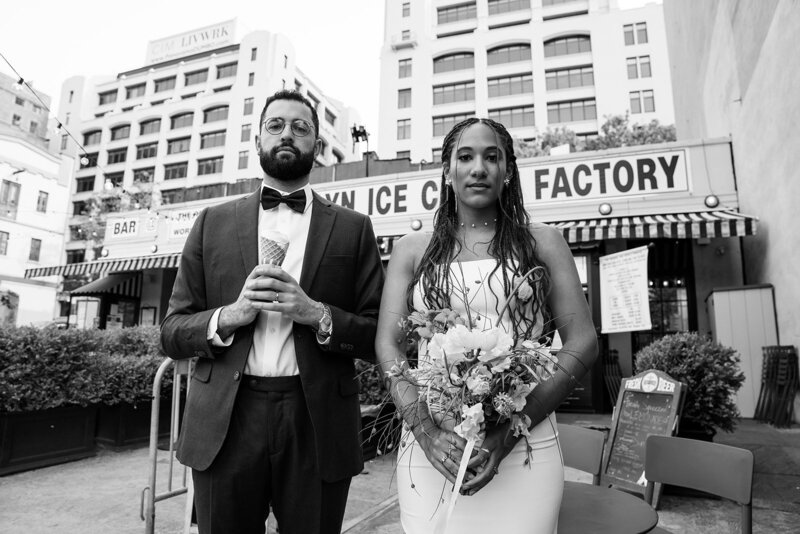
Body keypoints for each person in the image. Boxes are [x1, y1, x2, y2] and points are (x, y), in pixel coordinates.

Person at [160, 90, 384, 534]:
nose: (288, 134)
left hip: (315, 419)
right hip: (225, 419)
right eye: (276, 125)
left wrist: (317, 313)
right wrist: (229, 316)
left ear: (317, 145)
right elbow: (171, 331)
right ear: (257, 139)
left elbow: (380, 335)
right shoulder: (211, 222)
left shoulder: (353, 229)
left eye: (301, 128)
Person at [375, 118, 598, 534]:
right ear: (446, 172)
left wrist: (509, 432)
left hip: (525, 444)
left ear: (508, 171)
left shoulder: (543, 242)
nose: (479, 167)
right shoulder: (411, 250)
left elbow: (583, 343)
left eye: (492, 157)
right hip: (433, 450)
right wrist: (426, 434)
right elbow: (389, 346)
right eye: (465, 157)